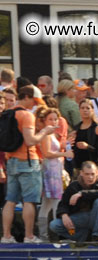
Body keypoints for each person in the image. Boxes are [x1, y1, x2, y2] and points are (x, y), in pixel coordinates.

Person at [1, 85, 57, 244]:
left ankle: (6, 236)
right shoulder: (26, 115)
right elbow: (30, 140)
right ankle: (29, 236)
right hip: (28, 162)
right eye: (34, 100)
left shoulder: (7, 113)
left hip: (11, 160)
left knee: (10, 200)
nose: (35, 104)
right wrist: (45, 131)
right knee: (29, 201)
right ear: (26, 97)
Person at [50, 161, 98, 242]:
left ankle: (97, 236)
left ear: (97, 172)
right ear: (81, 173)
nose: (90, 177)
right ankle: (84, 237)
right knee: (54, 225)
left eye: (92, 174)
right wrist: (64, 215)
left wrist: (81, 194)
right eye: (87, 174)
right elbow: (63, 204)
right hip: (80, 218)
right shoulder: (74, 185)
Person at [37, 107, 73, 240]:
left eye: (55, 119)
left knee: (47, 203)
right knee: (55, 202)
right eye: (50, 119)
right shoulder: (46, 133)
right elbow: (47, 153)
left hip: (54, 170)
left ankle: (44, 235)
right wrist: (64, 153)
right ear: (45, 121)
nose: (53, 122)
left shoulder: (51, 134)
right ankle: (57, 234)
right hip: (50, 171)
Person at [70, 97, 98, 172]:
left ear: (92, 110)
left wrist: (87, 147)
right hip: (79, 167)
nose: (85, 110)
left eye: (87, 108)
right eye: (82, 108)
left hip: (93, 167)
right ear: (79, 110)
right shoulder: (77, 127)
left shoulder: (96, 127)